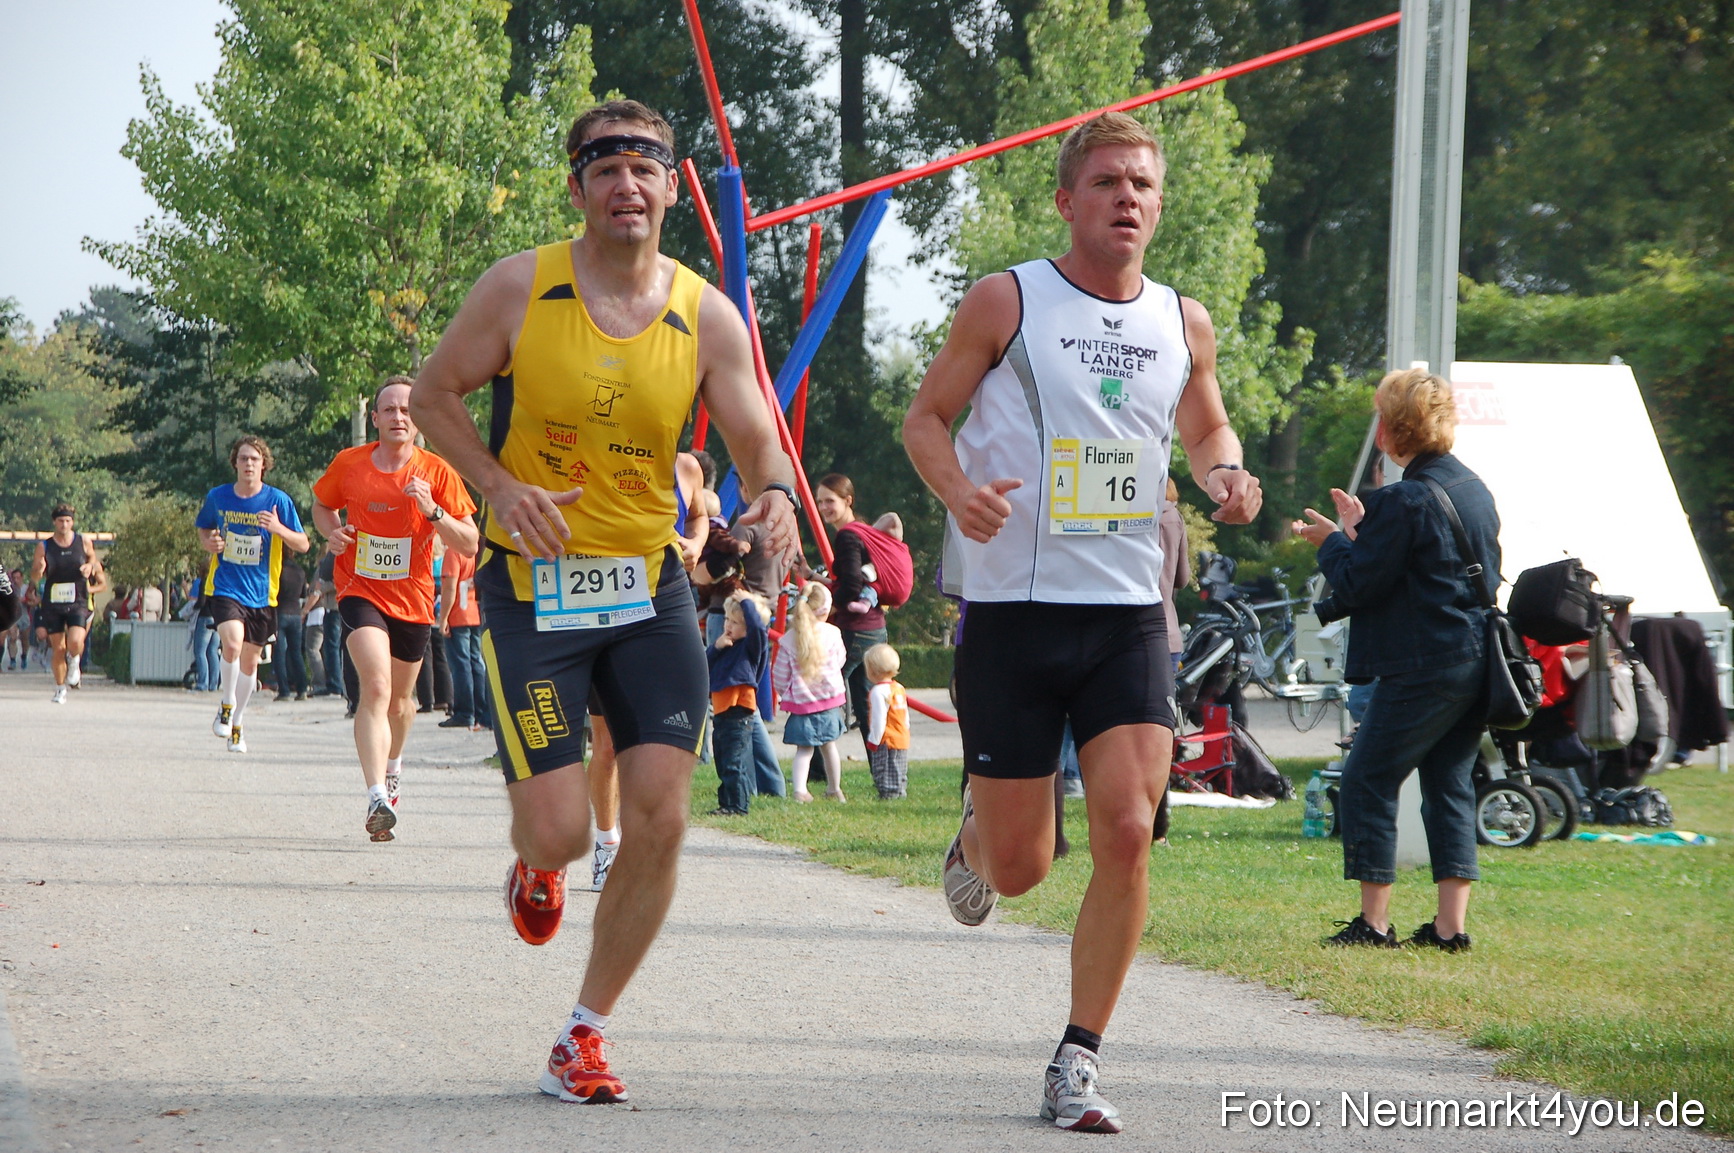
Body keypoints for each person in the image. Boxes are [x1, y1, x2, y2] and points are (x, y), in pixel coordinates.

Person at [408, 98, 800, 1106]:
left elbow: (757, 432)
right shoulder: (519, 288)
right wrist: (498, 488)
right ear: (577, 187)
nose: (628, 184)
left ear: (673, 186)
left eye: (647, 168)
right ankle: (533, 864)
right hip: (530, 590)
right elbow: (437, 392)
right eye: (606, 167)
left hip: (646, 590)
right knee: (561, 831)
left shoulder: (704, 312)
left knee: (662, 816)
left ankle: (582, 1032)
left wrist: (772, 495)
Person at [902, 112, 1263, 1134]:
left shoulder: (1184, 321)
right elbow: (926, 418)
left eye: (1142, 184)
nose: (1127, 198)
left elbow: (1205, 425)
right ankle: (979, 831)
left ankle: (1079, 1059)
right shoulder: (1009, 299)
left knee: (1126, 827)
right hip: (1014, 617)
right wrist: (960, 491)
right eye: (1106, 182)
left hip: (1126, 616)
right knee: (1021, 869)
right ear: (1067, 200)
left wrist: (1226, 474)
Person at [1293, 368, 1498, 954]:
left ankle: (1375, 924)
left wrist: (1334, 543)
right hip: (1473, 656)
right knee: (1449, 781)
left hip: (1423, 661)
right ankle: (1449, 928)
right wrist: (1359, 534)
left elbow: (1359, 584)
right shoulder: (1474, 488)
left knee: (1367, 777)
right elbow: (1418, 570)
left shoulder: (1403, 498)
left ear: (1392, 429)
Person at [312, 378, 479, 841]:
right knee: (377, 687)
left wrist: (433, 513)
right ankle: (375, 797)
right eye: (389, 409)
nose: (398, 417)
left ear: (418, 419)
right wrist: (332, 532)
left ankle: (394, 767)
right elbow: (322, 506)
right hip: (359, 587)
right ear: (376, 418)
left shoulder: (438, 473)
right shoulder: (350, 464)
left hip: (414, 599)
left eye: (406, 410)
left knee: (403, 704)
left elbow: (470, 541)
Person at [582, 449, 708, 892]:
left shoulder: (685, 466)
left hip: (657, 618)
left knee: (657, 747)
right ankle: (606, 841)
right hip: (592, 609)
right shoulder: (593, 446)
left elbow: (698, 515)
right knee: (607, 747)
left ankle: (642, 845)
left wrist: (694, 543)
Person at [195, 437, 310, 749]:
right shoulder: (218, 497)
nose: (248, 464)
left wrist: (278, 529)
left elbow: (303, 543)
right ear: (235, 462)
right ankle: (227, 703)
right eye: (243, 458)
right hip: (225, 586)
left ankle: (238, 722)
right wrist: (210, 543)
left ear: (264, 465)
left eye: (254, 460)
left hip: (262, 593)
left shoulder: (278, 501)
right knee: (230, 644)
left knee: (251, 663)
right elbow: (204, 528)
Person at [813, 475, 886, 751]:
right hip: (875, 625)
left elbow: (853, 585)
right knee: (869, 706)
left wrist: (830, 606)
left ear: (848, 501)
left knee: (819, 691)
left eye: (830, 501)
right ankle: (884, 773)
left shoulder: (847, 536)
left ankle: (818, 768)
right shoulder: (865, 531)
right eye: (820, 502)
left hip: (855, 628)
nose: (824, 508)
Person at [771, 581, 847, 802]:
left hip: (801, 705)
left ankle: (800, 791)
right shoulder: (833, 633)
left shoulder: (788, 639)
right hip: (830, 701)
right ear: (825, 611)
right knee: (829, 746)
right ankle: (835, 789)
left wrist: (787, 693)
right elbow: (840, 660)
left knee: (804, 750)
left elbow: (780, 675)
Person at [32, 504, 109, 704]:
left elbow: (94, 560)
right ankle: (59, 688)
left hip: (78, 600)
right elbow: (34, 576)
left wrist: (90, 566)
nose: (64, 525)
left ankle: (74, 661)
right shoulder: (45, 546)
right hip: (54, 601)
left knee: (75, 641)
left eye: (68, 521)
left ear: (72, 522)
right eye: (60, 521)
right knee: (58, 648)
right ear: (54, 523)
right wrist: (39, 570)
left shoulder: (83, 541)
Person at [707, 590, 770, 815]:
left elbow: (758, 630)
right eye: (727, 620)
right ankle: (726, 803)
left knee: (734, 762)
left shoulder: (751, 649)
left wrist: (746, 602)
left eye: (735, 622)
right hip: (721, 711)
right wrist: (716, 647)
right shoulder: (726, 647)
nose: (728, 625)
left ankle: (737, 806)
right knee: (723, 761)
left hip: (739, 711)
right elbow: (705, 665)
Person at [437, 540, 488, 731]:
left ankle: (464, 712)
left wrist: (443, 619)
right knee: (476, 663)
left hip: (458, 614)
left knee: (460, 666)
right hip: (474, 611)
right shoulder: (474, 550)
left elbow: (449, 587)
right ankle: (480, 710)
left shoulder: (454, 552)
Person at [863, 642, 910, 800]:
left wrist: (873, 740)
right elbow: (905, 715)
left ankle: (888, 794)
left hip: (887, 739)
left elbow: (879, 719)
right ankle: (900, 792)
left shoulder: (877, 692)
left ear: (872, 670)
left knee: (885, 768)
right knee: (899, 768)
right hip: (901, 736)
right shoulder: (899, 688)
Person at [274, 556, 310, 701]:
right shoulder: (300, 571)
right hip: (295, 613)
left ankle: (284, 690)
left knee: (279, 653)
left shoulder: (277, 569)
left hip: (280, 612)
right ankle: (302, 689)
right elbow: (303, 594)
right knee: (296, 653)